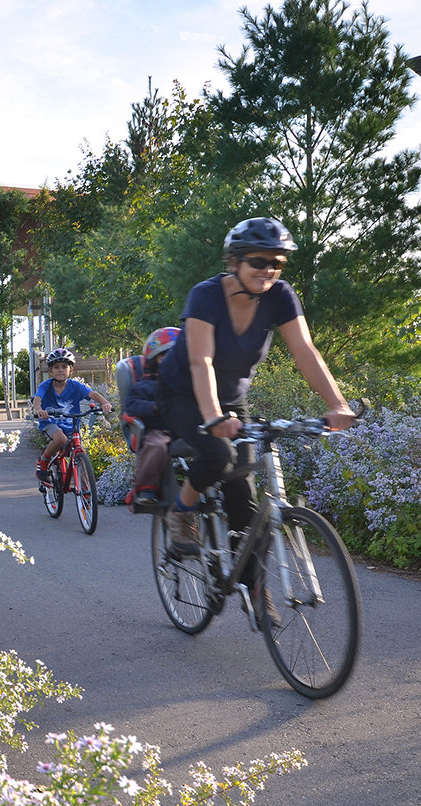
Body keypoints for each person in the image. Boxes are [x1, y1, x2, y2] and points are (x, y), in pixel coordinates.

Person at [154, 217, 355, 557]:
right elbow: (200, 361)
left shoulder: (280, 296)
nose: (269, 270)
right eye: (258, 262)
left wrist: (338, 404)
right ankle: (182, 511)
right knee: (219, 456)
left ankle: (257, 597)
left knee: (243, 500)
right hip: (183, 395)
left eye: (277, 263)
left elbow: (305, 352)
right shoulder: (206, 296)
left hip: (231, 399)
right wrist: (215, 417)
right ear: (234, 262)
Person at [31, 348, 112, 487]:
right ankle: (43, 461)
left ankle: (85, 487)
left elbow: (93, 394)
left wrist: (105, 402)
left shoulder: (75, 385)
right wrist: (39, 409)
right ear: (51, 371)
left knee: (77, 450)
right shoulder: (47, 385)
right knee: (61, 439)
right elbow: (38, 398)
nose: (60, 370)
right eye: (56, 367)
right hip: (50, 422)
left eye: (64, 367)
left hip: (71, 423)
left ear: (71, 370)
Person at [123, 327, 179, 507]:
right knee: (156, 446)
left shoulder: (191, 384)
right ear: (155, 361)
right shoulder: (146, 386)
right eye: (165, 357)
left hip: (187, 429)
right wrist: (153, 406)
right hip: (159, 430)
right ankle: (145, 488)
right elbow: (130, 405)